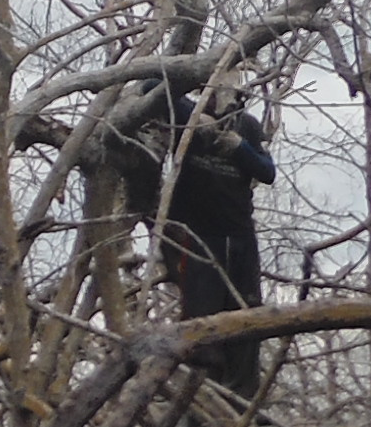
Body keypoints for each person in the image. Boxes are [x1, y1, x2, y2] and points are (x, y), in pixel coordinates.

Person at [114, 93, 275, 388]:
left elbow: (267, 172)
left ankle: (244, 403)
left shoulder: (247, 126)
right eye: (215, 93)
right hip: (198, 235)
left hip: (240, 235)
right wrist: (196, 118)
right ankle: (201, 407)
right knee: (201, 330)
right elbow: (154, 86)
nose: (222, 101)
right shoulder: (186, 115)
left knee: (248, 320)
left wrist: (238, 148)